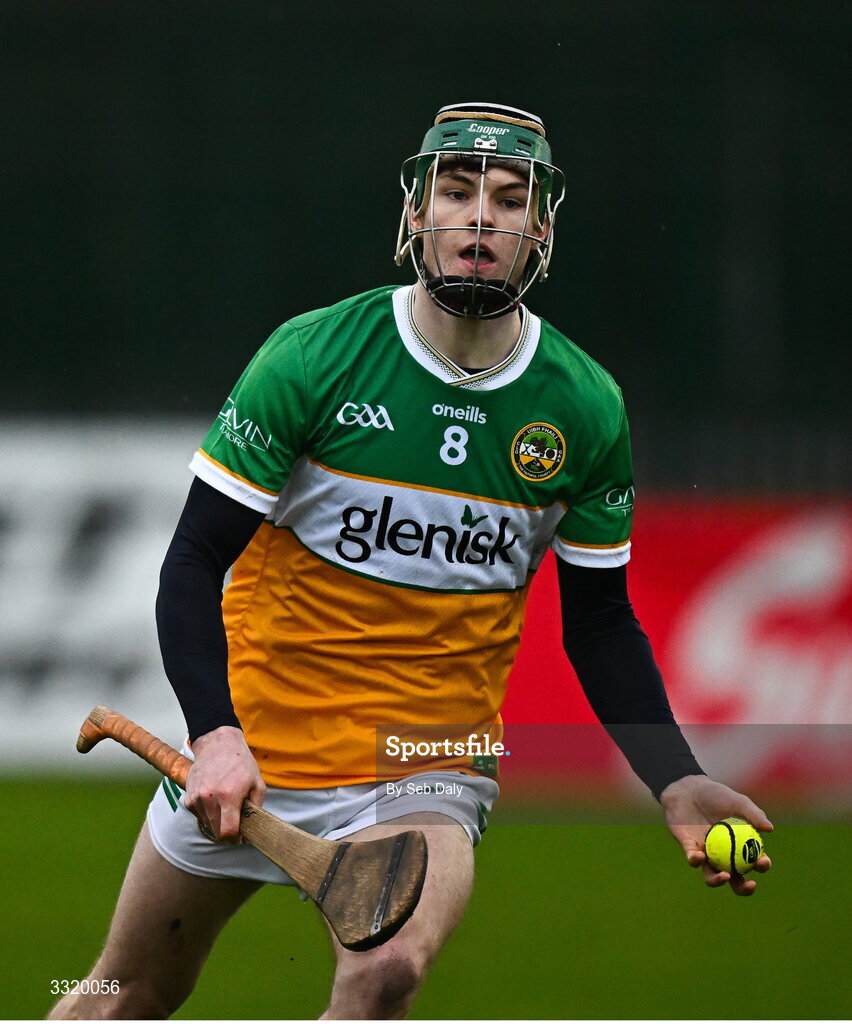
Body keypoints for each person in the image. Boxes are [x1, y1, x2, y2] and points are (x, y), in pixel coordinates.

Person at [50, 101, 772, 1021]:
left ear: (539, 228)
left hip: (430, 765)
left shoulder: (585, 406)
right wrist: (216, 734)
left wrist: (676, 777)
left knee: (384, 973)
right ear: (416, 214)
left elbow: (598, 623)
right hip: (256, 752)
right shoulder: (313, 357)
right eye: (458, 191)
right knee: (121, 996)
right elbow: (192, 563)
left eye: (509, 200)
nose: (480, 217)